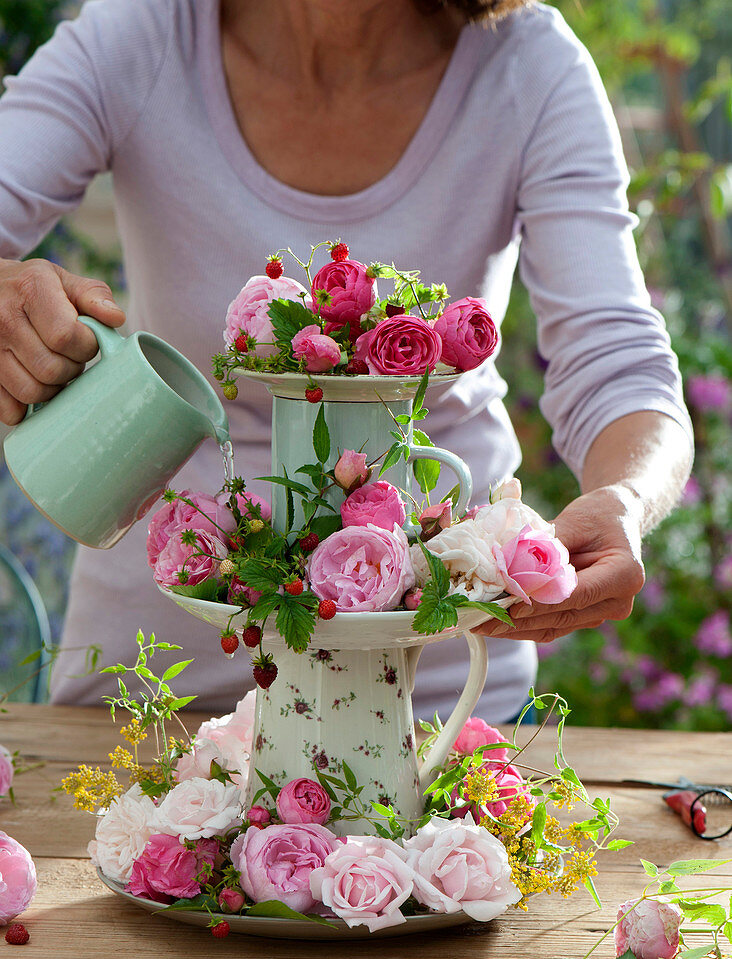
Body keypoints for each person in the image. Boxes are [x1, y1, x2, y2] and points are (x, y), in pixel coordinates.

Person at [0, 0, 692, 721]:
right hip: (154, 695)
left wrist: (623, 499)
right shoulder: (142, 35)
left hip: (440, 707)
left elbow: (617, 359)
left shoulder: (527, 66)